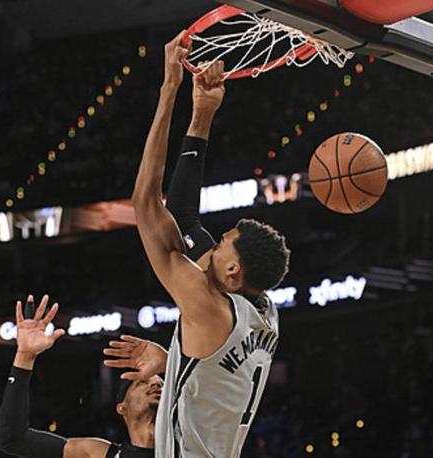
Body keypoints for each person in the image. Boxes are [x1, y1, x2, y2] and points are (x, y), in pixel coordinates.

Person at [128, 31, 291, 457]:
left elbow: (145, 202)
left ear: (234, 270)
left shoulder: (209, 306)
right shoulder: (263, 311)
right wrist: (201, 113)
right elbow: (184, 219)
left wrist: (170, 87)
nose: (211, 247)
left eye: (220, 244)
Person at [0, 295, 161, 458]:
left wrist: (166, 360)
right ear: (122, 408)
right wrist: (25, 356)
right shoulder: (97, 454)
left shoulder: (178, 445)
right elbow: (12, 438)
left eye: (162, 384)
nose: (156, 385)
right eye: (142, 382)